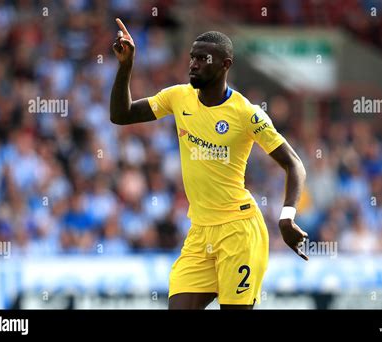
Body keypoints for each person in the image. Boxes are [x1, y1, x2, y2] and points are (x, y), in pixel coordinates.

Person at [110, 18, 308, 310]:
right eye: (192, 57)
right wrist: (126, 65)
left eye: (203, 58)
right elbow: (121, 115)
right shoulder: (178, 97)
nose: (193, 64)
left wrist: (287, 216)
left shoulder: (246, 114)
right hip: (201, 231)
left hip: (239, 231)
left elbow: (294, 164)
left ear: (225, 64)